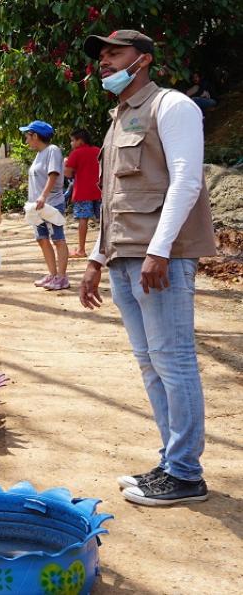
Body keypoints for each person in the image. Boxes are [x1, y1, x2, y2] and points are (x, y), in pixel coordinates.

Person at [79, 30, 215, 507]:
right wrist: (96, 259)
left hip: (160, 260)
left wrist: (160, 250)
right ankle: (170, 461)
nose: (104, 62)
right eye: (101, 55)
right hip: (124, 257)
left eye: (114, 53)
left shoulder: (173, 107)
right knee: (151, 364)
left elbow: (186, 181)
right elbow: (112, 202)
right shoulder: (117, 120)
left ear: (143, 60)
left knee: (174, 361)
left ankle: (185, 474)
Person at [22, 120, 70, 291]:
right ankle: (52, 274)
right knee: (42, 239)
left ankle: (62, 277)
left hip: (52, 204)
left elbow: (54, 174)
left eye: (27, 136)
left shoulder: (52, 150)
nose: (26, 140)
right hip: (37, 206)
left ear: (35, 135)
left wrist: (43, 196)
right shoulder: (38, 155)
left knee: (58, 239)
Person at [64, 128, 102, 258]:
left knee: (83, 219)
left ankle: (81, 249)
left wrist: (66, 164)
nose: (71, 143)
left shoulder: (76, 153)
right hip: (99, 191)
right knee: (104, 220)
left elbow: (68, 173)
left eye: (72, 140)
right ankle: (106, 250)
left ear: (80, 141)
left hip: (82, 192)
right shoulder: (98, 151)